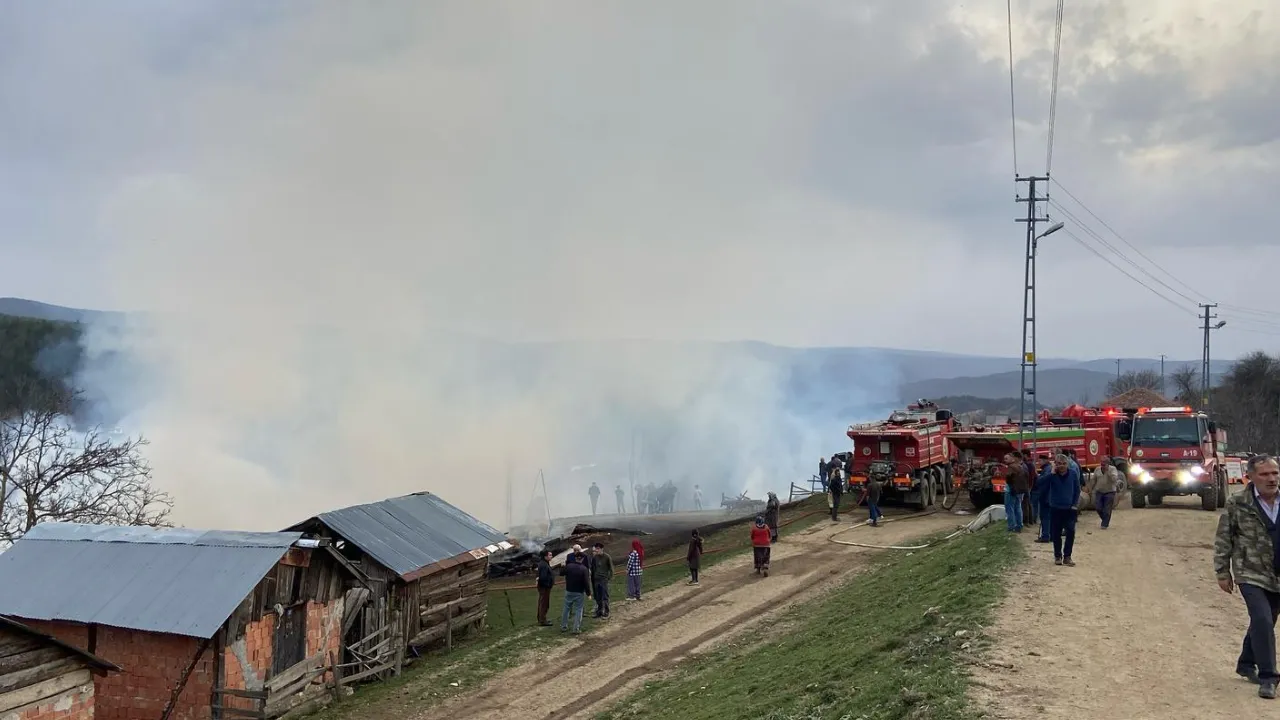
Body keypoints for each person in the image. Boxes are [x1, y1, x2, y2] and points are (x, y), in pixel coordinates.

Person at [1215, 454, 1280, 700]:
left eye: (1275, 473)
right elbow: (1224, 538)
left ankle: (1246, 662)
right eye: (1264, 474)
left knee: (1266, 620)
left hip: (1277, 574)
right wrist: (1222, 571)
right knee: (1262, 619)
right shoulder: (1238, 503)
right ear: (1250, 476)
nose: (1271, 479)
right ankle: (1268, 678)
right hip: (1250, 572)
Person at [1038, 453, 1081, 566]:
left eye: (1064, 464)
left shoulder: (1072, 474)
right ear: (1055, 464)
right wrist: (1051, 473)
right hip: (1055, 508)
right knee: (1056, 534)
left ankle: (1067, 556)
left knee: (1070, 532)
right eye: (1059, 464)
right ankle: (1058, 556)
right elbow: (1039, 483)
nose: (1062, 466)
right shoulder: (1052, 475)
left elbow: (1077, 489)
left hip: (1070, 508)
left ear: (1067, 464)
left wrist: (1074, 504)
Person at [558, 550, 592, 634]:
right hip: (579, 592)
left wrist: (562, 566)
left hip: (569, 590)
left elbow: (561, 573)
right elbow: (586, 583)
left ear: (575, 558)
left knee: (566, 609)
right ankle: (576, 628)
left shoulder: (569, 566)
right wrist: (588, 593)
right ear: (582, 559)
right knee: (578, 610)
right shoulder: (584, 569)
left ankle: (563, 626)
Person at [1087, 457, 1122, 529]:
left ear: (1108, 463)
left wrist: (1107, 471)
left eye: (1104, 463)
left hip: (1110, 491)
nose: (1102, 465)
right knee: (1098, 507)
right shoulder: (1097, 469)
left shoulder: (1113, 469)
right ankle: (1105, 519)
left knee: (1107, 508)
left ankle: (1104, 524)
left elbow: (1114, 479)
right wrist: (1090, 489)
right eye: (1101, 463)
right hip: (1099, 491)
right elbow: (1094, 480)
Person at [1004, 452, 1029, 533]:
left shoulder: (1011, 467)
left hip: (1011, 490)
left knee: (1009, 508)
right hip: (1019, 491)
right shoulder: (1020, 466)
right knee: (1018, 508)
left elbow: (1008, 477)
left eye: (1007, 458)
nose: (1005, 460)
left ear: (1013, 458)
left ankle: (1011, 526)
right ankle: (1019, 525)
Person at [590, 542, 614, 619]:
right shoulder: (594, 558)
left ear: (601, 549)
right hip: (596, 580)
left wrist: (609, 577)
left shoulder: (607, 557)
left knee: (605, 596)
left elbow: (611, 569)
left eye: (598, 549)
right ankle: (599, 611)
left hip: (603, 580)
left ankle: (606, 611)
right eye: (596, 549)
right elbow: (593, 568)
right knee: (598, 596)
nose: (597, 550)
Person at [535, 550, 554, 627]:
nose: (551, 556)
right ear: (545, 556)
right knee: (544, 604)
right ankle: (542, 620)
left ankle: (541, 618)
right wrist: (548, 584)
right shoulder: (543, 565)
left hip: (544, 587)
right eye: (550, 555)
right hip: (544, 587)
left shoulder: (545, 563)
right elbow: (543, 577)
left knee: (543, 603)